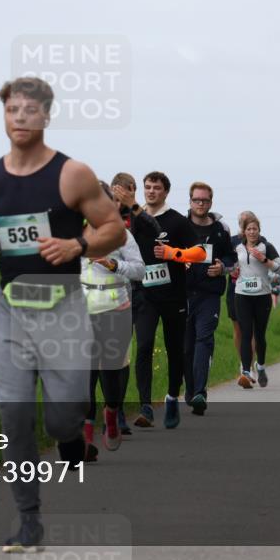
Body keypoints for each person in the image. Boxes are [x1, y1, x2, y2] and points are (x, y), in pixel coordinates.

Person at [0, 77, 125, 553]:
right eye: (11, 110)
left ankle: (71, 435)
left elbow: (113, 229)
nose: (19, 118)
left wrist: (76, 244)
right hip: (9, 310)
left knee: (60, 418)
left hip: (63, 308)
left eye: (29, 110)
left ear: (46, 116)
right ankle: (28, 520)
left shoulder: (72, 175)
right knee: (13, 416)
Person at [153, 181, 235, 415]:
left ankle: (200, 392)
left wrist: (222, 267)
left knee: (204, 339)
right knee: (186, 347)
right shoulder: (180, 225)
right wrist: (179, 260)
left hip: (209, 294)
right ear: (190, 201)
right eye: (196, 200)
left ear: (211, 202)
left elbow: (231, 258)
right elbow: (164, 254)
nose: (200, 204)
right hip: (183, 292)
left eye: (205, 200)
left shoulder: (221, 229)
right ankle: (190, 390)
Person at [81, 182, 145, 454]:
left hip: (115, 309)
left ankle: (111, 412)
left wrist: (114, 264)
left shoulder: (122, 235)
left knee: (111, 376)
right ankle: (85, 441)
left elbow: (140, 270)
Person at [132, 171, 196, 429]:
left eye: (156, 187)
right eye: (147, 187)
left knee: (174, 349)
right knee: (144, 345)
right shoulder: (134, 220)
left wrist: (174, 253)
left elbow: (199, 253)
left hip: (173, 295)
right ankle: (145, 406)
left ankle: (171, 397)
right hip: (145, 295)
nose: (151, 191)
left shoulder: (178, 221)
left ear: (166, 192)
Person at [109, 172, 161, 435]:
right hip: (115, 292)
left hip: (143, 292)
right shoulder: (103, 218)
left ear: (132, 191)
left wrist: (134, 206)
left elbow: (155, 231)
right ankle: (117, 411)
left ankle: (144, 405)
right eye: (116, 193)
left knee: (142, 348)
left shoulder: (138, 216)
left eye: (126, 192)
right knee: (119, 354)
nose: (120, 198)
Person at [233, 214, 280, 388]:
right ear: (244, 231)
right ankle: (246, 372)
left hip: (262, 296)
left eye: (255, 229)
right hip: (242, 295)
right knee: (246, 333)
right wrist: (232, 270)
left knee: (259, 335)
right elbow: (231, 265)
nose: (252, 232)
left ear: (259, 230)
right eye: (249, 229)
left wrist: (265, 260)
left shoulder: (266, 247)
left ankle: (260, 366)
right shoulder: (237, 247)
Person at [227, 211, 263, 373]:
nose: (245, 225)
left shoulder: (262, 242)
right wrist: (230, 269)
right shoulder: (232, 241)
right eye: (242, 222)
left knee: (251, 329)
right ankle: (243, 361)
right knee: (238, 330)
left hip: (255, 291)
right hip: (235, 290)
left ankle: (249, 364)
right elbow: (225, 259)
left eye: (248, 222)